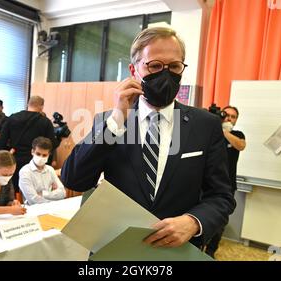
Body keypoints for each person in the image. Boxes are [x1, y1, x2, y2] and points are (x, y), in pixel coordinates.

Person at [61, 27, 235, 249]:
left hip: (176, 252)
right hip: (115, 247)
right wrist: (116, 121)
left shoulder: (206, 124)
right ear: (134, 70)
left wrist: (193, 222)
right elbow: (74, 179)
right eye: (154, 65)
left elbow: (221, 196)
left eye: (174, 66)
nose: (165, 73)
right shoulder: (109, 122)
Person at [205, 105, 246, 258]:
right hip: (205, 182)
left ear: (236, 120)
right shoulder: (211, 132)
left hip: (226, 185)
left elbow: (241, 145)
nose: (229, 118)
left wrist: (223, 131)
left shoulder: (237, 134)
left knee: (220, 219)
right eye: (226, 115)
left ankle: (210, 251)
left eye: (233, 116)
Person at [0, 95, 59, 193]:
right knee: (33, 191)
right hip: (35, 162)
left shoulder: (12, 118)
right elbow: (51, 144)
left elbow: (1, 141)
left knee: (13, 190)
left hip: (14, 161)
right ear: (42, 106)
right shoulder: (45, 122)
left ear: (28, 104)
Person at [19, 136, 66, 205]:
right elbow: (33, 200)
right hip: (33, 210)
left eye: (44, 155)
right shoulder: (25, 171)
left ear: (49, 155)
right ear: (32, 151)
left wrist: (43, 193)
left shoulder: (50, 169)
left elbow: (63, 193)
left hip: (52, 208)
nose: (41, 157)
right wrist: (53, 197)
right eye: (38, 154)